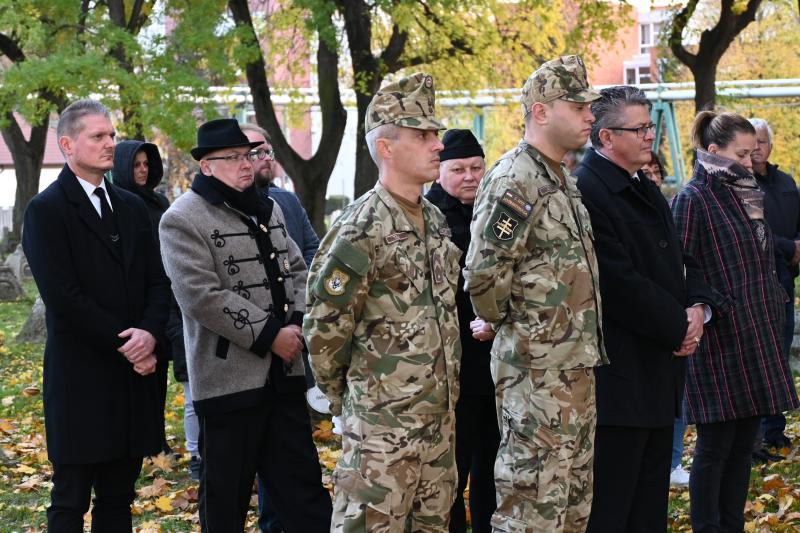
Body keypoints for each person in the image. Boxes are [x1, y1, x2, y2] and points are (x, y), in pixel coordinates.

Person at [303, 72, 462, 532]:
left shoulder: (433, 218)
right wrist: (353, 402)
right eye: (423, 135)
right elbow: (325, 329)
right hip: (381, 434)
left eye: (436, 133)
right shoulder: (361, 226)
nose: (438, 144)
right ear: (387, 148)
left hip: (438, 427)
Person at [159, 118, 331, 532]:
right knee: (225, 499)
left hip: (283, 377)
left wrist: (295, 323)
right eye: (233, 157)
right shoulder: (181, 218)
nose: (245, 165)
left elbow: (297, 267)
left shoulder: (267, 207)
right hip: (227, 381)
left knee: (304, 492)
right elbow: (201, 295)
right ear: (206, 166)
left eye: (250, 155)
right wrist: (272, 336)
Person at [464, 55, 607, 532]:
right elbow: (484, 274)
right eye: (578, 104)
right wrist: (516, 327)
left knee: (569, 506)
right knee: (531, 507)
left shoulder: (559, 178)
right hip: (535, 375)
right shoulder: (515, 179)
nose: (590, 115)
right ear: (541, 112)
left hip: (572, 370)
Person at [573, 86, 717, 532]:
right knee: (615, 508)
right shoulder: (589, 190)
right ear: (606, 137)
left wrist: (698, 307)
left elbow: (681, 258)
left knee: (649, 509)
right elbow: (618, 282)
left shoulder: (643, 187)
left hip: (657, 371)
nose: (649, 135)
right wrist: (679, 326)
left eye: (650, 126)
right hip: (620, 378)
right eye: (638, 128)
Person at [22, 99, 170, 531]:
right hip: (81, 377)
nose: (110, 144)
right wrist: (130, 343)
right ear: (67, 144)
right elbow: (63, 298)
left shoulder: (132, 206)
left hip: (132, 380)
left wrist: (150, 334)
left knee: (119, 498)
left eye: (112, 136)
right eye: (98, 137)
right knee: (69, 500)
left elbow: (158, 283)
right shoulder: (46, 210)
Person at [671, 111, 800, 533]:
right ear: (714, 152)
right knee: (715, 446)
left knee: (746, 443)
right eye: (741, 154)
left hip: (756, 332)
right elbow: (683, 270)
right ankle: (709, 527)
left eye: (752, 153)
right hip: (720, 339)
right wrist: (716, 308)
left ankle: (732, 525)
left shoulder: (747, 194)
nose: (750, 161)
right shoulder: (693, 199)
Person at [239, 123, 325, 533]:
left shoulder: (285, 201)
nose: (264, 158)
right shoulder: (216, 208)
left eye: (267, 149)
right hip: (248, 347)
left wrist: (300, 304)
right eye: (254, 151)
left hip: (296, 334)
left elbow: (311, 251)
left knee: (293, 446)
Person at [425, 129, 498, 533]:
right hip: (449, 369)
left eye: (476, 167)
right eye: (458, 169)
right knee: (453, 471)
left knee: (493, 465)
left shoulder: (496, 210)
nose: (469, 176)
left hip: (495, 365)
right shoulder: (429, 216)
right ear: (439, 172)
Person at [112, 140, 174, 456]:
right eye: (135, 165)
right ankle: (136, 439)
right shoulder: (116, 203)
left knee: (159, 373)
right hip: (132, 302)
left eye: (146, 164)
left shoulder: (159, 203)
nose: (142, 170)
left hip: (161, 298)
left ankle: (157, 439)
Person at [749, 117, 800, 453]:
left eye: (761, 142)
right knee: (758, 357)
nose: (756, 150)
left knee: (780, 355)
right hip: (757, 279)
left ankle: (774, 430)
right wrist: (789, 247)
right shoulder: (740, 185)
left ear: (770, 145)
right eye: (750, 144)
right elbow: (756, 231)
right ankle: (753, 436)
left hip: (786, 278)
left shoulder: (785, 182)